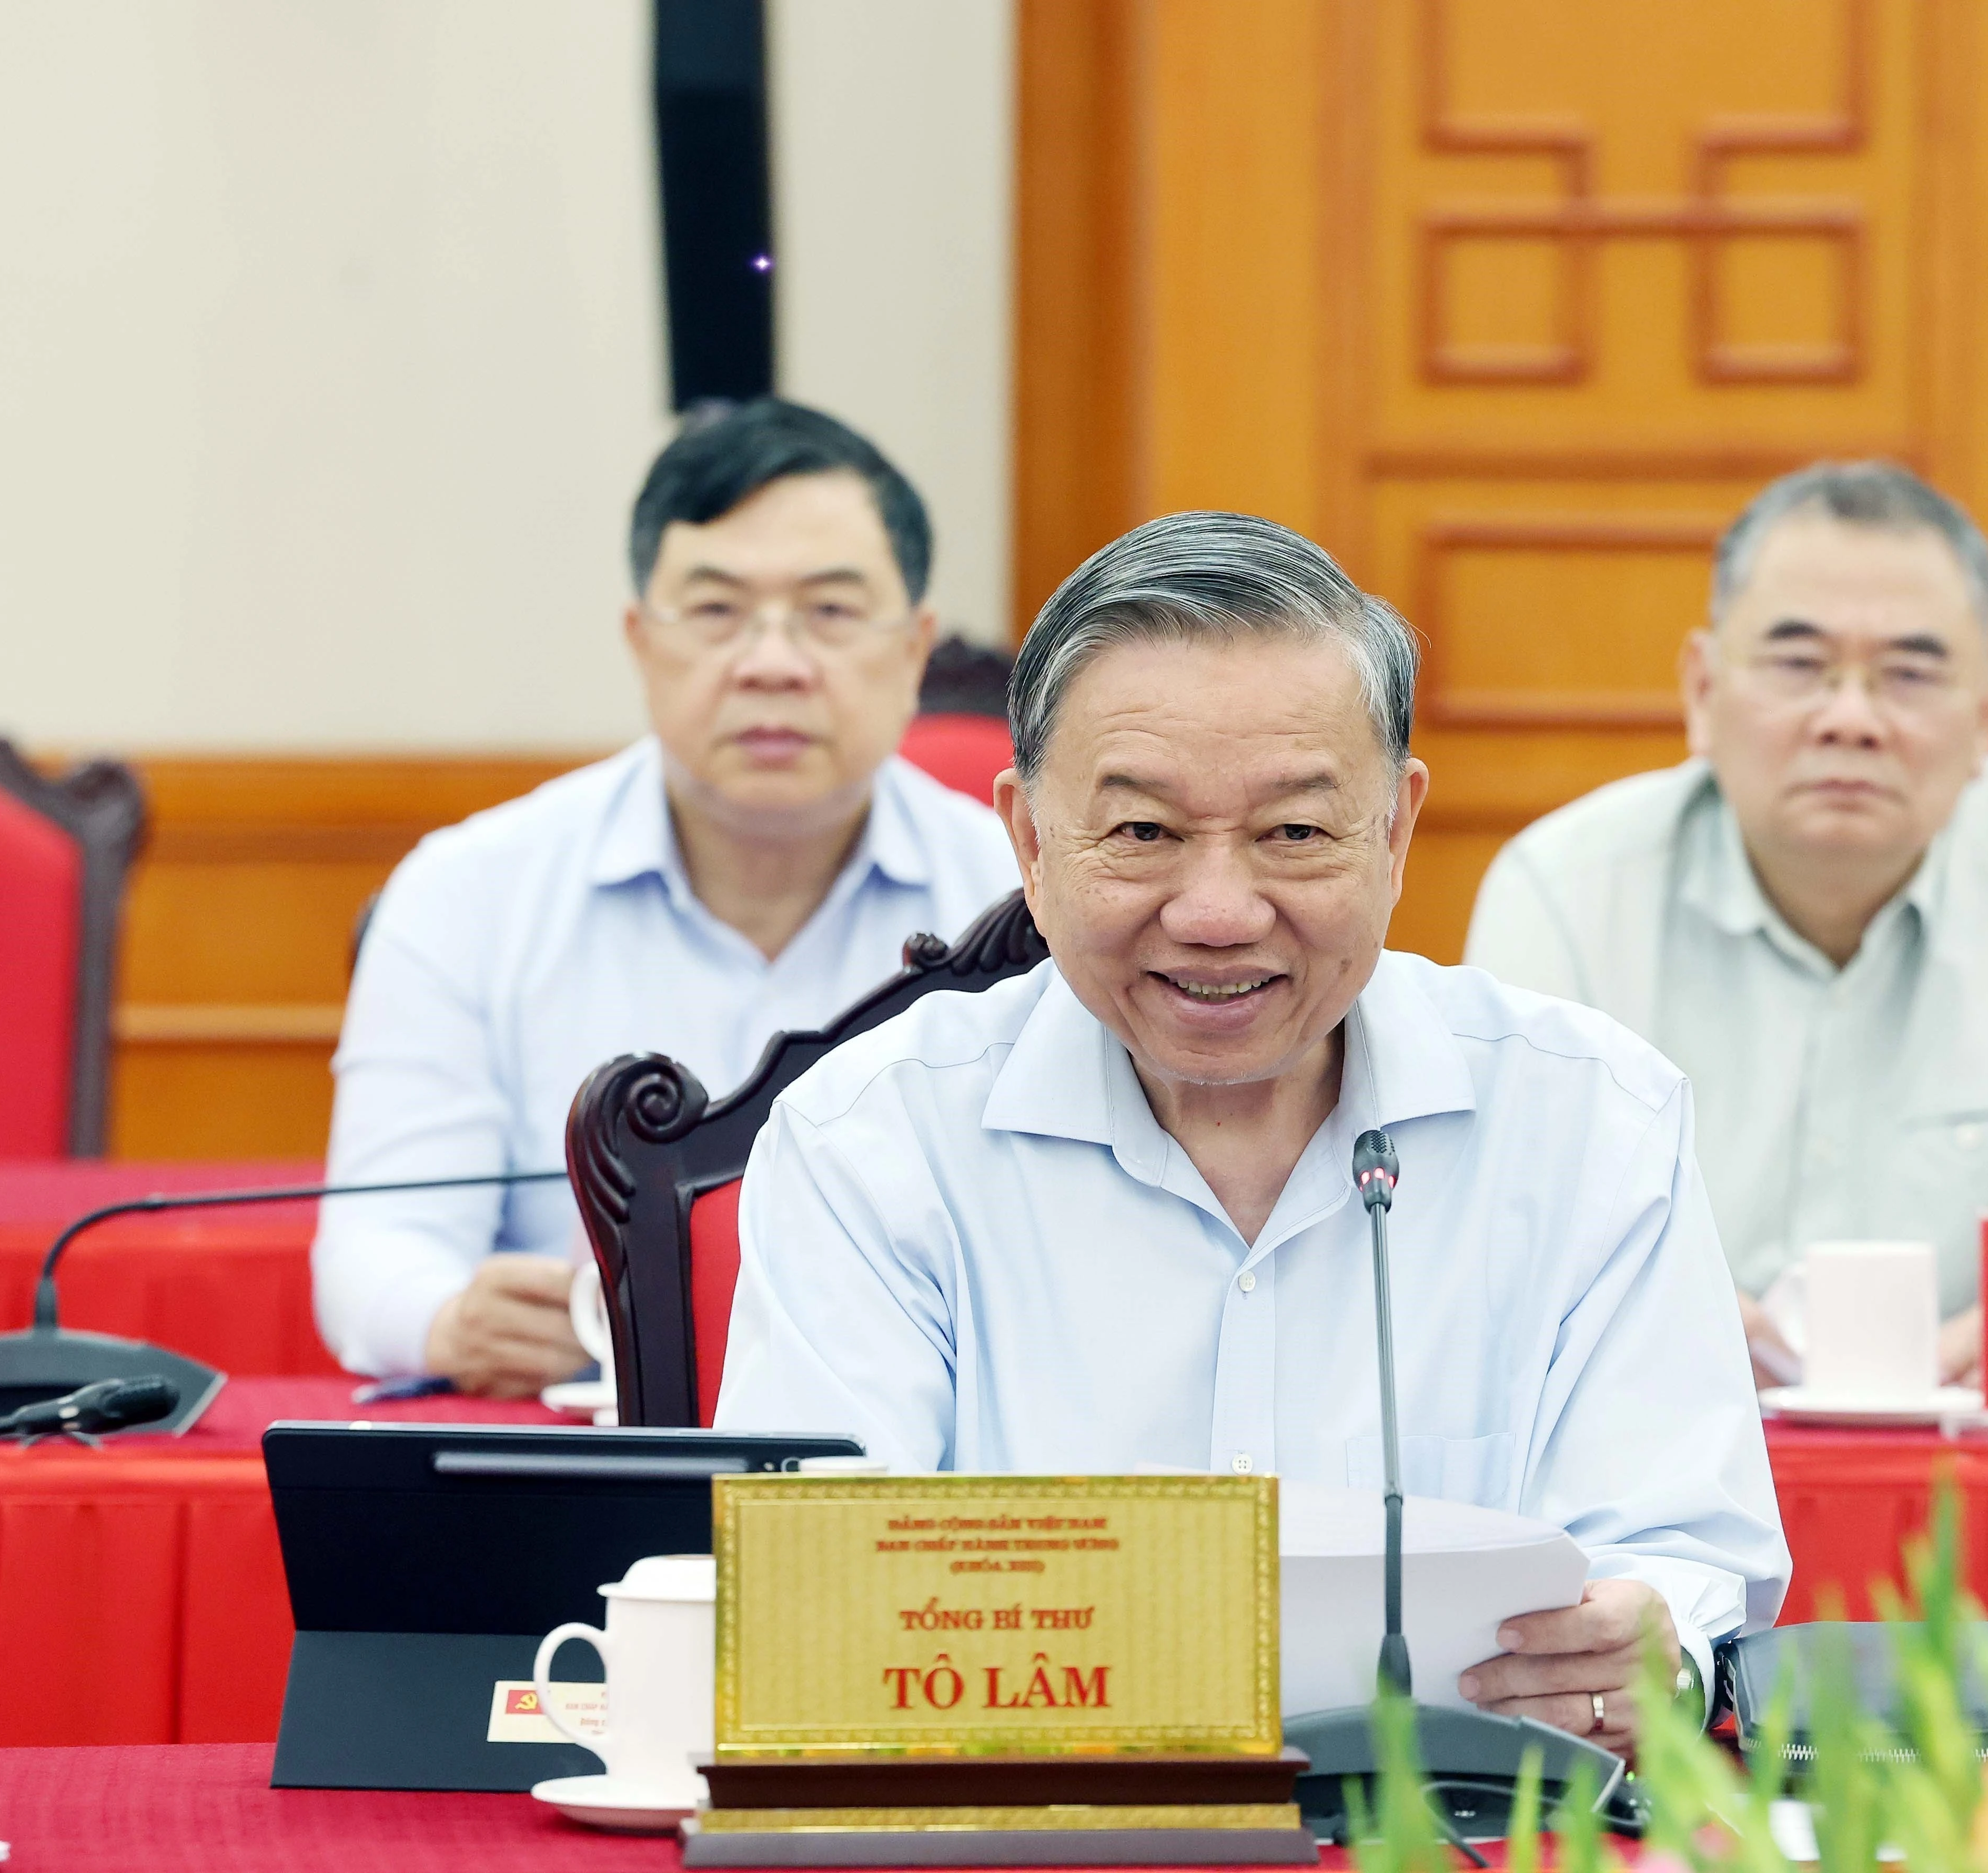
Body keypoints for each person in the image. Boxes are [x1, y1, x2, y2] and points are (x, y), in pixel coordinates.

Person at [715, 511, 1787, 1748]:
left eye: (1292, 832)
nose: (1218, 912)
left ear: (1392, 830)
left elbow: (1684, 1546)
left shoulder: (1589, 1118)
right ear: (1026, 839)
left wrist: (1652, 1627)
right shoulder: (873, 1140)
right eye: (1141, 833)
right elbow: (819, 1591)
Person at [314, 399, 1021, 1396]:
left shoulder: (1024, 902)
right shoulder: (466, 895)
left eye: (829, 611)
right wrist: (450, 1319)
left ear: (913, 647)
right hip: (587, 1469)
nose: (772, 664)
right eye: (718, 610)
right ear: (642, 640)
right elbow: (375, 1250)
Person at [1464, 462, 1988, 1385]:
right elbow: (1517, 1231)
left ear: (1986, 715)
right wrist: (1682, 1331)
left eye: (1910, 673)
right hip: (1644, 1439)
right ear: (1701, 692)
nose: (1850, 718)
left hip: (1976, 1455)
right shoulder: (1565, 891)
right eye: (1799, 665)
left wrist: (1983, 1349)